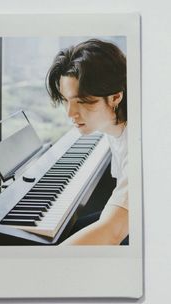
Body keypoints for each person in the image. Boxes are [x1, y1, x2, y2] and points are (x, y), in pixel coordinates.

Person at [46, 39, 128, 245]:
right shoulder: (112, 123)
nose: (70, 113)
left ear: (115, 97)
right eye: (66, 100)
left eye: (81, 101)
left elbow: (112, 231)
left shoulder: (141, 144)